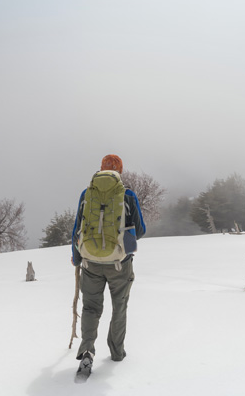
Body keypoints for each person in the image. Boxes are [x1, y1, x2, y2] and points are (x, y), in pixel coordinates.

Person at [71, 154, 146, 375]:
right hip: (119, 264)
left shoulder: (87, 193)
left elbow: (77, 228)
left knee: (90, 307)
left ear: (101, 169)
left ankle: (87, 350)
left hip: (90, 263)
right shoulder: (128, 195)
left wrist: (77, 258)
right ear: (120, 171)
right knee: (119, 306)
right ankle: (116, 352)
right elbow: (140, 231)